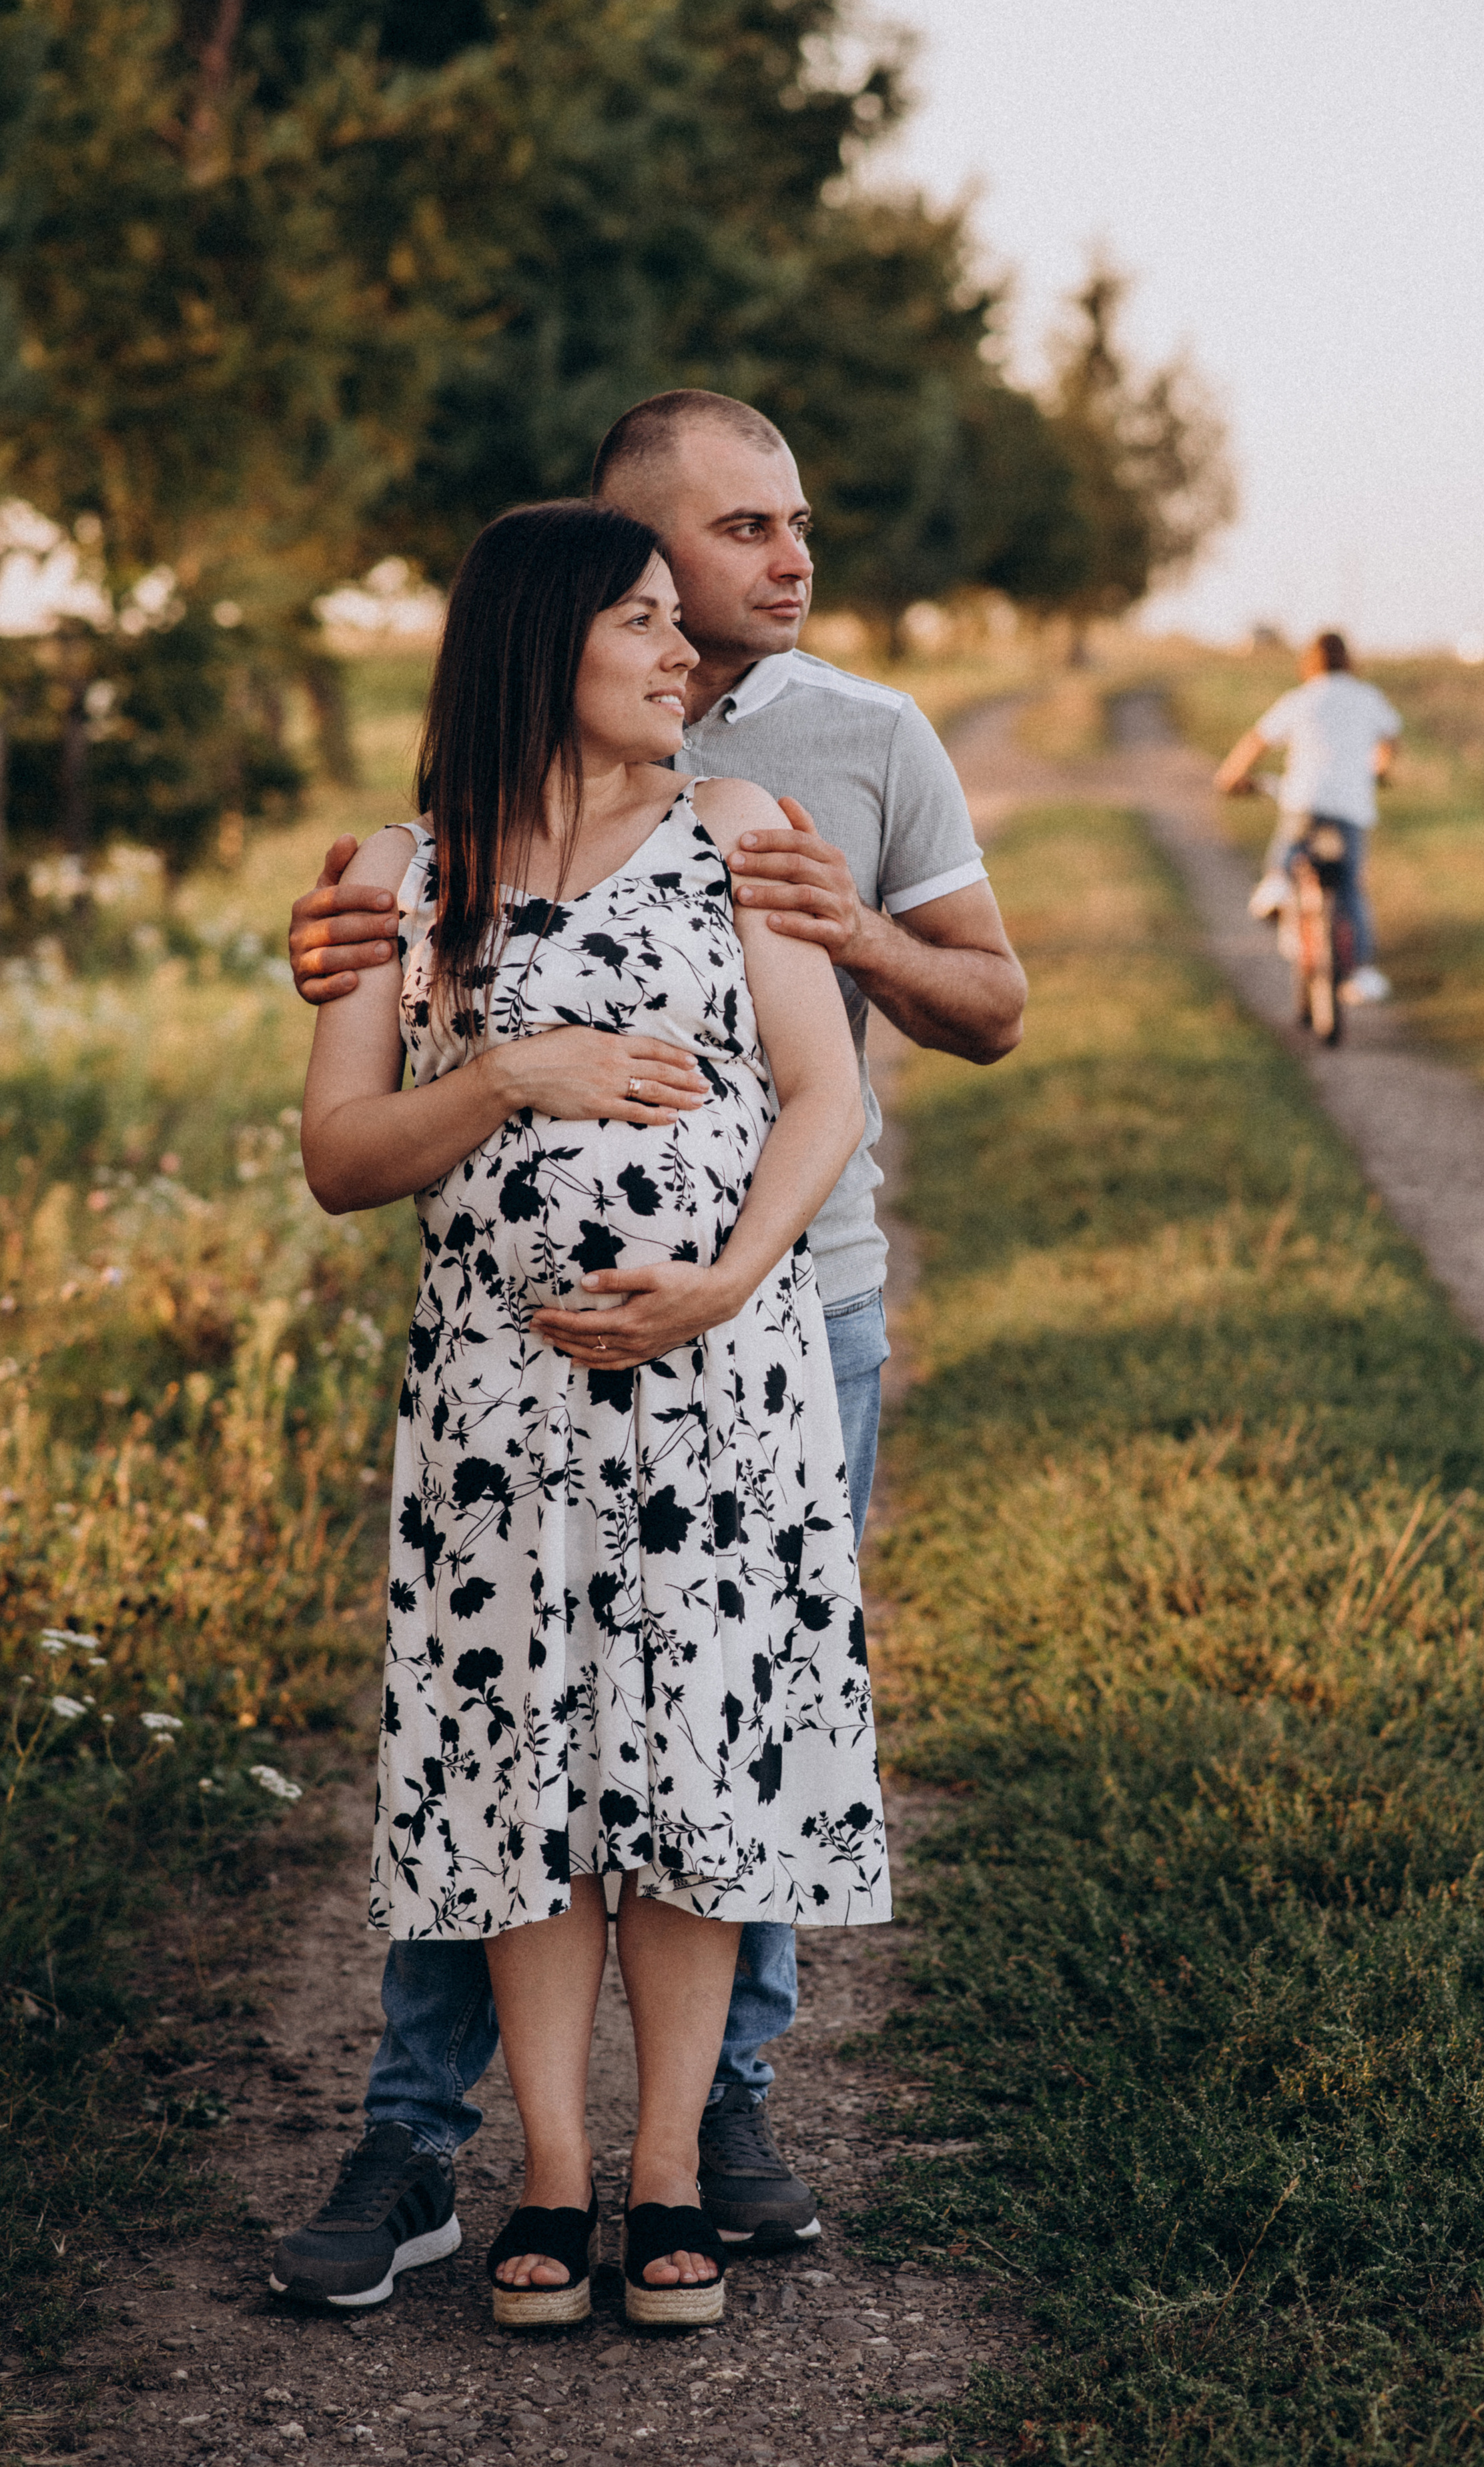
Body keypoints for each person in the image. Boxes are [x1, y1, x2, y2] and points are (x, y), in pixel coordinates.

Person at [272, 390, 1026, 2312]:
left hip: (744, 1358)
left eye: (792, 527)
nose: (766, 574)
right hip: (502, 1390)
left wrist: (726, 1273)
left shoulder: (801, 781)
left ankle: (695, 2148)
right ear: (587, 599)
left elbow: (887, 1058)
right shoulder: (409, 860)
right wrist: (498, 1063)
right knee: (522, 1765)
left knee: (703, 1751)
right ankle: (501, 2161)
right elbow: (345, 1143)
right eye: (719, 547)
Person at [1214, 631, 1401, 1004]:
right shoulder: (1368, 697)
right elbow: (1390, 742)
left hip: (1307, 797)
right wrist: (1379, 770)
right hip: (1351, 807)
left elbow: (1257, 740)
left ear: (1309, 662)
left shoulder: (1302, 698)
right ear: (1349, 661)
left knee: (1290, 846)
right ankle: (1359, 972)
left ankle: (1278, 885)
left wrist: (1230, 776)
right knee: (1349, 885)